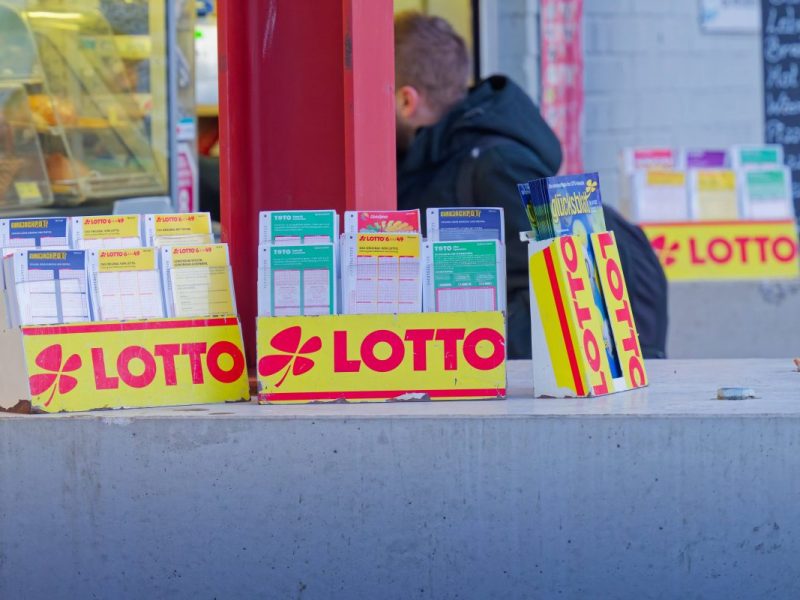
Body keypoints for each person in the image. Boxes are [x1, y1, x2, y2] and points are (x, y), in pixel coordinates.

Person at [395, 11, 668, 359]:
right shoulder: (434, 160)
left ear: (407, 101)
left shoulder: (495, 165)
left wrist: (455, 352)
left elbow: (565, 290)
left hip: (500, 377)